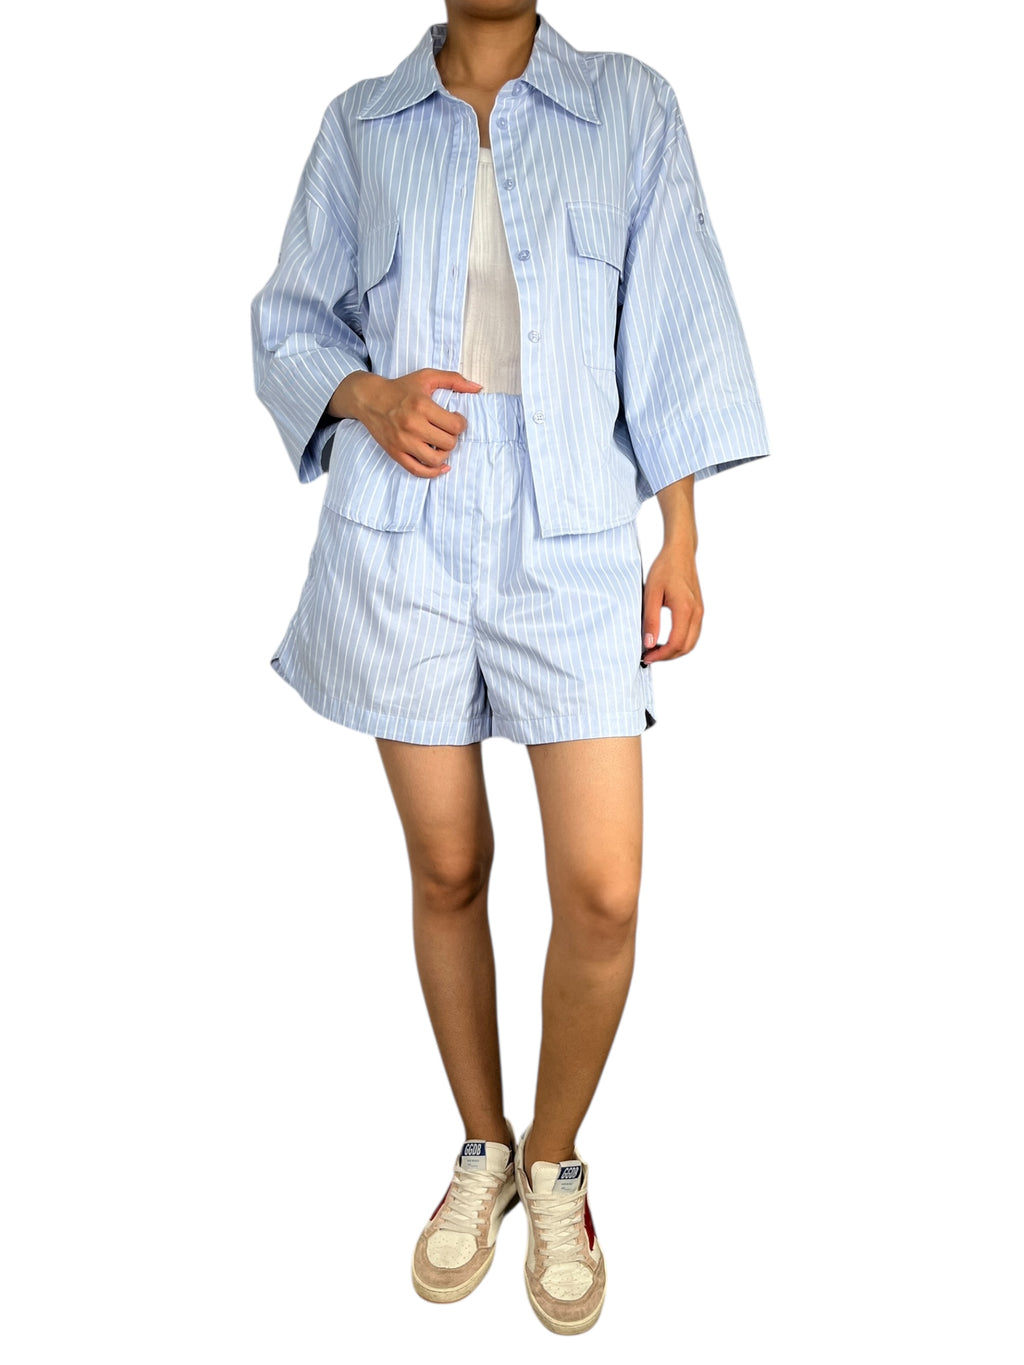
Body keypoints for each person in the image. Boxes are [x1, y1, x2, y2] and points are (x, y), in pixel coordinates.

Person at [250, 1, 770, 1336]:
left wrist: (681, 535)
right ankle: (482, 1144)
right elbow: (292, 321)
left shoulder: (630, 108)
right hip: (404, 531)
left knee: (603, 888)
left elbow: (672, 323)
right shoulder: (361, 126)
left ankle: (556, 1158)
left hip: (574, 533)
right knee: (448, 866)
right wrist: (369, 397)